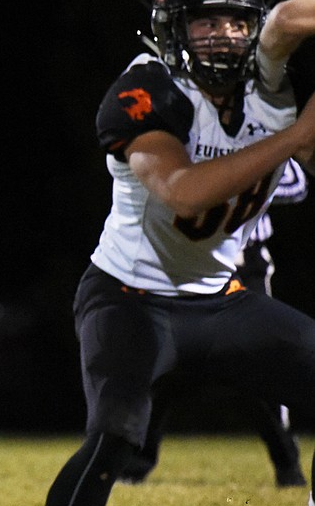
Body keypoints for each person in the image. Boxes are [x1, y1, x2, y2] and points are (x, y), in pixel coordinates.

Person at [0, 0, 315, 506]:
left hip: (222, 298)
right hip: (129, 297)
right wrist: (295, 138)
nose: (224, 38)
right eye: (206, 23)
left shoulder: (268, 81)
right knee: (115, 436)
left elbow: (292, 16)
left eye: (236, 24)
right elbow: (183, 191)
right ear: (172, 28)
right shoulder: (145, 89)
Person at [119, 158, 308, 487]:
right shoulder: (192, 133)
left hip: (243, 265)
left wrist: (243, 184)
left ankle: (287, 465)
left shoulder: (261, 132)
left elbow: (297, 184)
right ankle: (136, 464)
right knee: (165, 363)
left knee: (257, 369)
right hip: (190, 264)